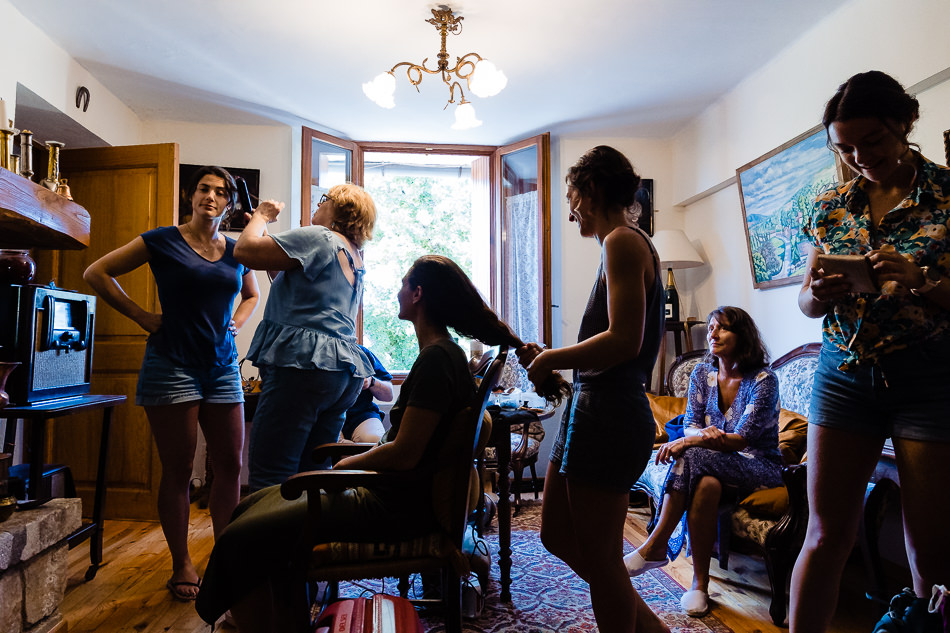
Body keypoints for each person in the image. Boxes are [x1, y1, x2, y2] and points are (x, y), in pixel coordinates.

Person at [194, 255, 550, 630]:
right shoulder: (442, 356)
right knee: (246, 508)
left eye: (402, 285)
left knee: (241, 535)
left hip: (392, 507)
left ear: (417, 294)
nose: (396, 293)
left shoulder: (437, 361)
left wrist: (344, 469)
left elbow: (405, 452)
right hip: (392, 496)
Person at [791, 70, 950, 632]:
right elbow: (807, 306)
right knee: (825, 533)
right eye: (846, 148)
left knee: (931, 552)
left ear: (904, 123)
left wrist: (922, 280)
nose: (860, 157)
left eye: (873, 142)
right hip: (842, 375)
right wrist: (817, 292)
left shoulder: (947, 195)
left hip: (928, 381)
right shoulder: (830, 204)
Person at [83, 165, 260, 601]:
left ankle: (226, 555)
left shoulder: (238, 250)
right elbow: (96, 273)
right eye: (204, 189)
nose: (211, 197)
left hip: (221, 368)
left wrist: (236, 323)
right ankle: (182, 561)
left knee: (231, 467)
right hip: (171, 366)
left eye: (221, 192)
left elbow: (252, 293)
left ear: (230, 204)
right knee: (179, 470)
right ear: (190, 195)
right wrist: (142, 316)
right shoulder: (161, 240)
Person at [518, 145, 669, 633]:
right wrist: (558, 359)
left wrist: (551, 358)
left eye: (572, 195)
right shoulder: (620, 244)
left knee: (603, 559)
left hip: (611, 415)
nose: (569, 210)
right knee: (557, 535)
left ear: (593, 190)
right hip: (590, 410)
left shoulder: (623, 241)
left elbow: (624, 341)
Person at [624, 306, 783, 617]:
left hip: (759, 465)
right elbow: (692, 423)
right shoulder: (701, 373)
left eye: (722, 328)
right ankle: (699, 585)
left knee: (690, 452)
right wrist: (696, 437)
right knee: (707, 485)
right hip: (713, 465)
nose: (712, 334)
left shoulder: (763, 380)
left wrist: (687, 441)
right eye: (711, 327)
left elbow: (742, 439)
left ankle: (656, 545)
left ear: (743, 336)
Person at [233, 184, 378, 491]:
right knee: (312, 473)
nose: (317, 205)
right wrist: (258, 230)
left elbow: (243, 251)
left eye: (322, 200)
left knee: (270, 474)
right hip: (340, 375)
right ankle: (307, 538)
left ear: (339, 209)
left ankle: (269, 540)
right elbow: (296, 288)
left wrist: (260, 217)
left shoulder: (319, 236)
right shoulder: (353, 253)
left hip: (303, 369)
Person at [339, 345, 393, 444]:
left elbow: (389, 395)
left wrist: (371, 381)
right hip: (325, 414)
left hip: (362, 414)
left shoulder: (362, 353)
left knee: (375, 442)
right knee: (334, 446)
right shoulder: (315, 353)